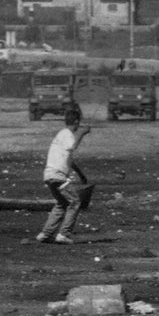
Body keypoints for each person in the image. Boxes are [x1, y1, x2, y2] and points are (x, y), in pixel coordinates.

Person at [37, 105, 92, 245]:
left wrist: (80, 174)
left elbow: (68, 159)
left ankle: (46, 234)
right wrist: (83, 133)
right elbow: (73, 146)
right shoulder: (67, 134)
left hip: (49, 175)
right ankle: (63, 234)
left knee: (62, 203)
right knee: (75, 202)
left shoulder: (61, 135)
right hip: (58, 175)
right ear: (77, 122)